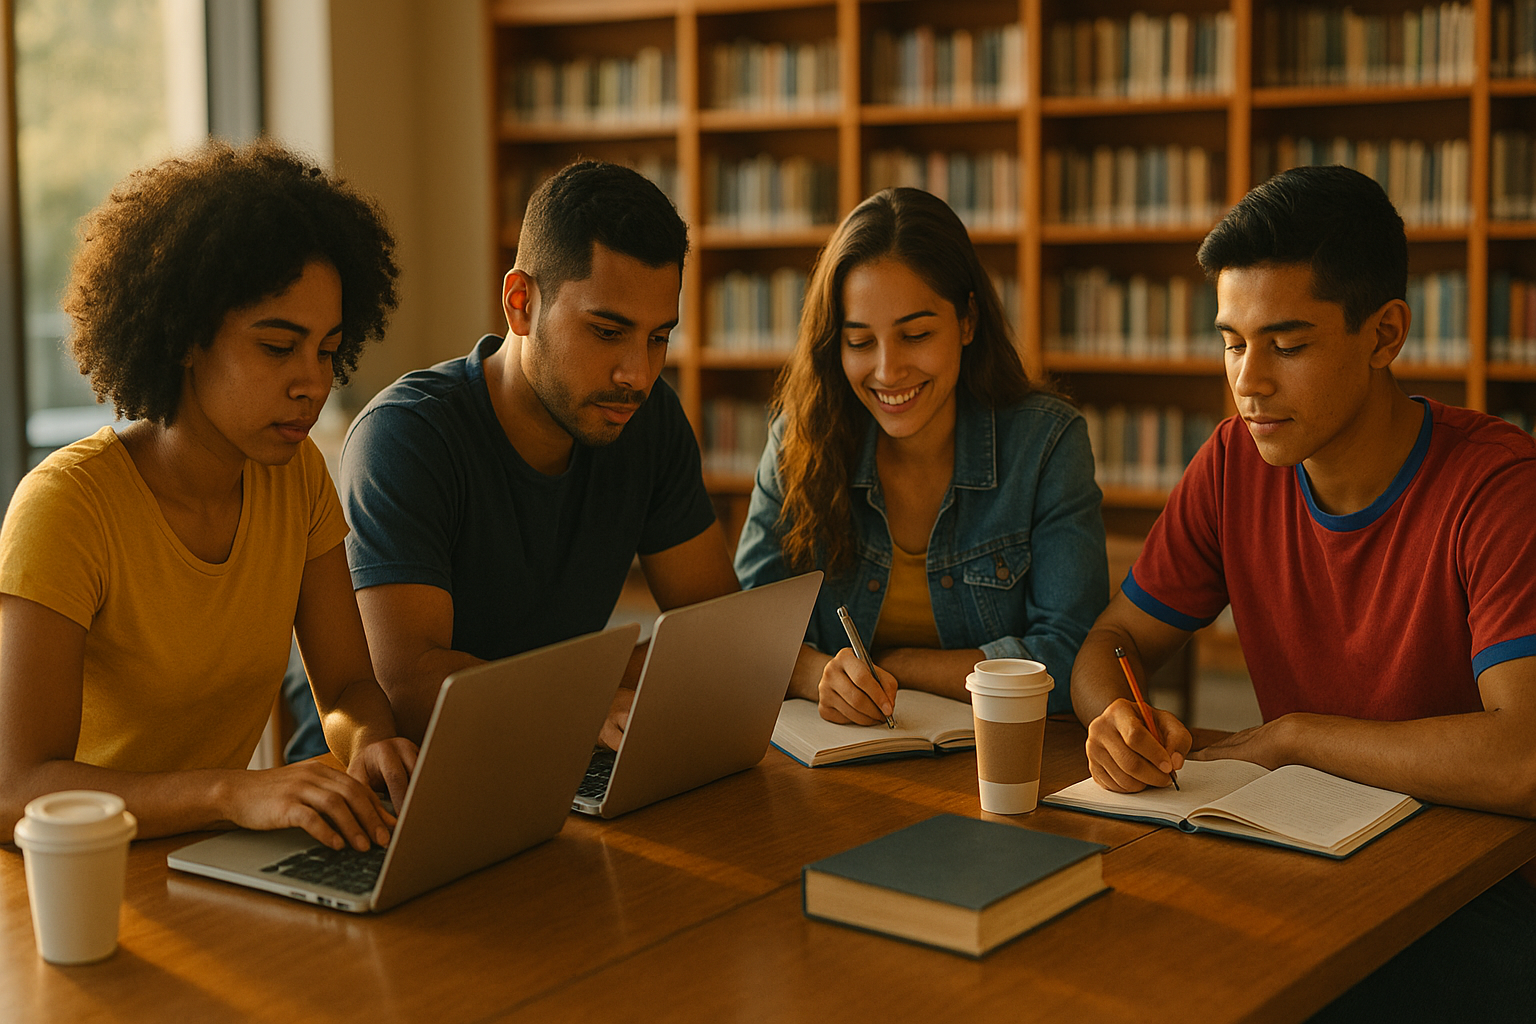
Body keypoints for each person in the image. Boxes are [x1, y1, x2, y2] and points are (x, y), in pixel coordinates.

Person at [1071, 165, 1536, 1021]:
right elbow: (1112, 640)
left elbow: (1523, 760)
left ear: (1385, 334)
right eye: (1232, 343)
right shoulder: (1232, 463)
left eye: (1286, 346)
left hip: (1481, 887)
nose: (1249, 382)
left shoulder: (1498, 490)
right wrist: (1114, 717)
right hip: (1309, 851)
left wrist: (1292, 736)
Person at [0, 141, 416, 851]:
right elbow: (15, 790)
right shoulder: (68, 506)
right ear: (188, 338)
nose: (313, 383)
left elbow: (347, 686)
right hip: (81, 876)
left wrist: (372, 743)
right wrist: (233, 791)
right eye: (278, 347)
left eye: (327, 350)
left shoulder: (297, 477)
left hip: (207, 856)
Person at [340, 160, 739, 749]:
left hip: (553, 744)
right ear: (521, 302)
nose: (637, 375)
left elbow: (718, 628)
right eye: (607, 332)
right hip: (393, 774)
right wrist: (582, 694)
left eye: (659, 338)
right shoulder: (405, 437)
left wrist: (589, 692)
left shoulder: (648, 421)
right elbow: (408, 690)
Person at [734, 187, 1108, 723]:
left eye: (915, 334)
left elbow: (1072, 659)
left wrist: (894, 665)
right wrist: (818, 676)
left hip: (995, 753)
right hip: (832, 749)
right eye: (860, 342)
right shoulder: (800, 439)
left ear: (967, 320)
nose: (888, 371)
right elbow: (743, 632)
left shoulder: (1046, 443)